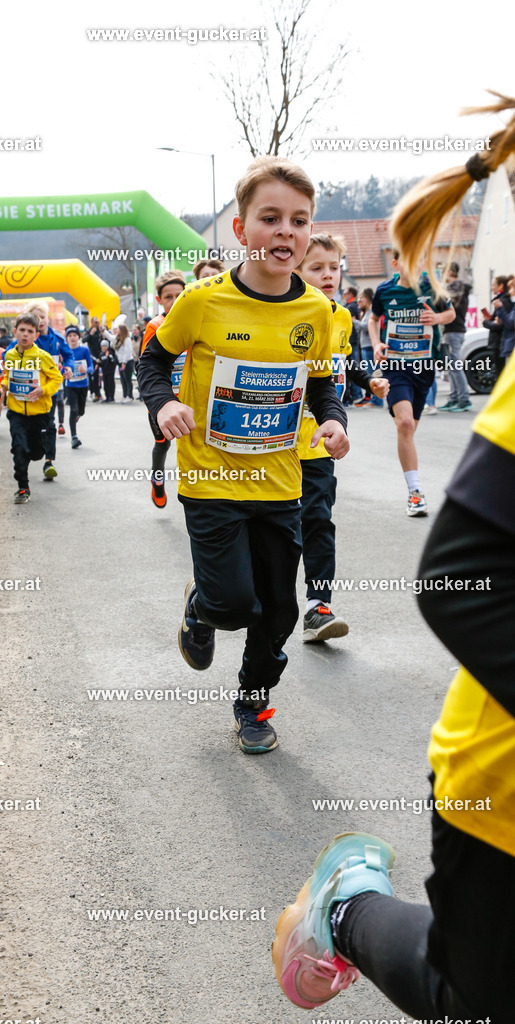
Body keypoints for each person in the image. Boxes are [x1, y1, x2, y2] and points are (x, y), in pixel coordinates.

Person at [272, 88, 515, 1023]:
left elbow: (335, 374)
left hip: (315, 458)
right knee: (469, 996)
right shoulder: (221, 304)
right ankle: (347, 906)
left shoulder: (340, 317)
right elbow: (466, 576)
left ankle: (316, 594)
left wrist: (340, 404)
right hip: (501, 789)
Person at [138, 155, 348, 755]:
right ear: (240, 230)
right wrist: (163, 406)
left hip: (281, 483)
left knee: (279, 610)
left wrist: (332, 420)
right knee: (233, 604)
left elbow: (321, 383)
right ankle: (203, 607)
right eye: (270, 218)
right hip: (210, 479)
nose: (286, 231)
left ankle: (252, 706)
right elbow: (152, 361)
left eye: (299, 221)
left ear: (309, 233)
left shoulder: (316, 311)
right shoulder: (202, 302)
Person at [297, 234, 389, 642]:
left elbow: (342, 366)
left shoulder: (342, 318)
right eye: (317, 267)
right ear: (296, 268)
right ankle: (265, 599)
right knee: (279, 528)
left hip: (320, 442)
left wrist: (368, 379)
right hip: (272, 446)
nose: (329, 275)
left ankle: (318, 606)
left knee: (318, 518)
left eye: (334, 267)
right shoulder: (284, 313)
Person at [369, 250, 455, 516]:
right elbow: (372, 319)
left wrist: (438, 318)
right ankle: (415, 493)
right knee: (405, 424)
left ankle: (399, 414)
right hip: (395, 366)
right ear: (396, 264)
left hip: (424, 366)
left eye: (419, 259)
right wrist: (376, 344)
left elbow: (450, 313)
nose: (416, 264)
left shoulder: (433, 287)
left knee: (409, 426)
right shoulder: (384, 290)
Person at [0, 312, 62, 503]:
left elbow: (56, 378)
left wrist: (42, 390)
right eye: (22, 330)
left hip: (39, 413)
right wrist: (4, 384)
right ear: (15, 332)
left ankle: (34, 455)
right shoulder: (9, 354)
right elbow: (7, 374)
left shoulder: (42, 356)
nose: (25, 334)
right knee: (19, 449)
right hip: (17, 412)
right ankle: (22, 488)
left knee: (36, 452)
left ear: (36, 335)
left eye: (30, 331)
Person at [139, 270, 187, 508]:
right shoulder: (155, 325)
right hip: (163, 400)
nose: (175, 300)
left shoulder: (196, 321)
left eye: (179, 295)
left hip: (191, 398)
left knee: (195, 446)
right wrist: (154, 402)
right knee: (163, 444)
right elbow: (146, 366)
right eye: (169, 296)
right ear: (159, 300)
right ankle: (157, 479)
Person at [23, 301, 74, 476]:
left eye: (43, 317)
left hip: (51, 389)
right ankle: (34, 451)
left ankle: (49, 462)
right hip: (31, 392)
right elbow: (7, 354)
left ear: (48, 318)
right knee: (35, 426)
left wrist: (68, 367)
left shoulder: (58, 339)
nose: (41, 321)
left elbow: (69, 356)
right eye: (36, 318)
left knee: (50, 425)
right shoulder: (25, 340)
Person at [438, 261, 472, 411]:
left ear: (450, 272)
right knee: (451, 367)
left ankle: (463, 400)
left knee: (455, 366)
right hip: (451, 331)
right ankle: (454, 398)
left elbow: (443, 302)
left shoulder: (456, 288)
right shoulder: (457, 288)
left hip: (454, 331)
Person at [64, 324, 93, 449]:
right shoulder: (65, 351)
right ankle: (74, 437)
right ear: (66, 338)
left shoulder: (84, 350)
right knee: (73, 409)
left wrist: (85, 369)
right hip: (70, 385)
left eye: (74, 335)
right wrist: (64, 372)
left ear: (78, 336)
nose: (72, 338)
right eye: (69, 336)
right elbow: (60, 367)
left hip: (83, 385)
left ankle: (76, 416)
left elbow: (91, 367)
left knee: (81, 411)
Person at [82, 316, 104, 402]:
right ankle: (94, 393)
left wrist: (103, 333)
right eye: (95, 322)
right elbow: (83, 340)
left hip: (100, 355)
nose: (97, 324)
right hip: (92, 356)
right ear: (92, 323)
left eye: (98, 322)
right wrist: (90, 334)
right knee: (93, 375)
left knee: (100, 376)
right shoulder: (89, 331)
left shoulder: (100, 331)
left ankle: (99, 393)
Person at [114, 324, 135, 402]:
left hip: (127, 361)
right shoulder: (119, 339)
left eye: (119, 329)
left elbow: (128, 352)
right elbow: (111, 338)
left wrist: (124, 362)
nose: (117, 331)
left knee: (127, 379)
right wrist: (104, 331)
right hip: (121, 361)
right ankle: (125, 394)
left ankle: (130, 396)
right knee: (122, 379)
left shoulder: (127, 340)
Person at [98, 338, 118, 403]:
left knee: (110, 384)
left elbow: (113, 361)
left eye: (105, 346)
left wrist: (108, 357)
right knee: (105, 384)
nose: (104, 348)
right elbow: (101, 363)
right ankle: (107, 396)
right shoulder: (101, 354)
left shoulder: (110, 352)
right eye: (102, 346)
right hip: (104, 371)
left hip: (110, 371)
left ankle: (111, 397)